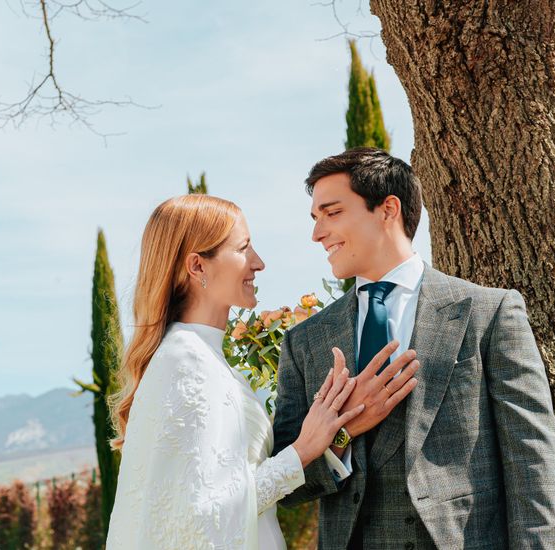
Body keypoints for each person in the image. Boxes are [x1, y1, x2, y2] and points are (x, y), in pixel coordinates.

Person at [272, 148, 555, 549]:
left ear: (388, 209)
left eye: (332, 212)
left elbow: (533, 462)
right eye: (315, 218)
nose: (317, 233)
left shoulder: (488, 313)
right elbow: (287, 487)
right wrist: (340, 434)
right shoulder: (306, 340)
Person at [104, 194, 418, 549]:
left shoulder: (204, 358)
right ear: (198, 266)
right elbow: (202, 518)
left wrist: (338, 430)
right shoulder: (186, 362)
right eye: (243, 248)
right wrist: (302, 449)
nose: (259, 263)